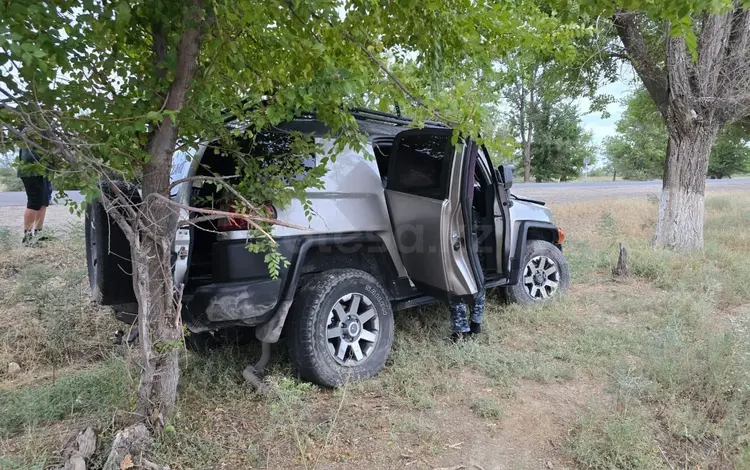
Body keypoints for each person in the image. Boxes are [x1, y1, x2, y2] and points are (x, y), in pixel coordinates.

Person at [17, 143, 52, 244]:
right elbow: (27, 156)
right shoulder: (29, 131)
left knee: (43, 202)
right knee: (34, 203)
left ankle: (38, 234)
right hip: (31, 171)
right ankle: (27, 236)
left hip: (43, 171)